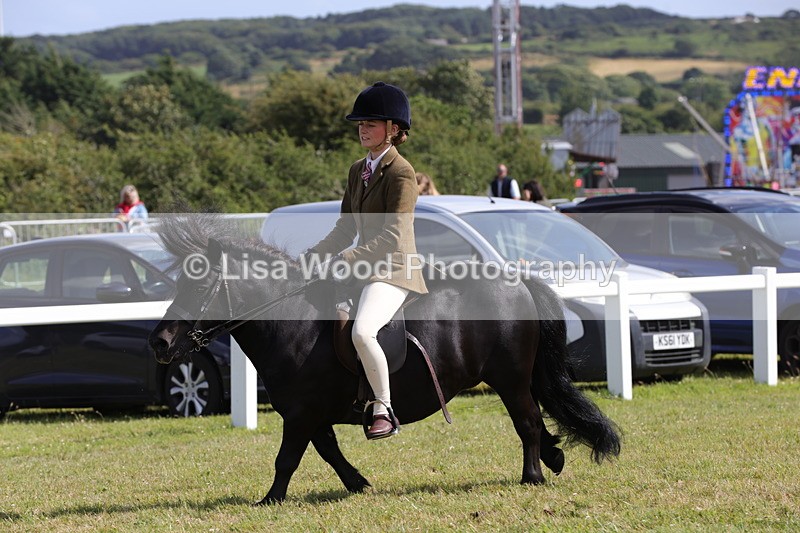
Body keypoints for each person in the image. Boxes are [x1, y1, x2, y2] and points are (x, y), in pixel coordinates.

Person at [306, 81, 428, 440]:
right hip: (364, 267)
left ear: (393, 130)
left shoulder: (402, 173)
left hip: (394, 271)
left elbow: (392, 234)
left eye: (370, 123)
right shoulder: (357, 169)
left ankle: (384, 408)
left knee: (362, 331)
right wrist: (314, 255)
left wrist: (348, 257)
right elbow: (345, 228)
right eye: (360, 124)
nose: (362, 129)